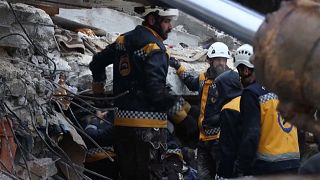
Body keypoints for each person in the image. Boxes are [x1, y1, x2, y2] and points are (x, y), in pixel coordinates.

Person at [89, 6, 198, 179]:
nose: (171, 27)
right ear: (152, 20)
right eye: (167, 22)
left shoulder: (122, 41)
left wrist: (99, 98)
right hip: (148, 131)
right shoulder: (155, 47)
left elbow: (96, 63)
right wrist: (184, 120)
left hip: (122, 127)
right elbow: (156, 91)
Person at [234, 44, 300, 176]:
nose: (240, 78)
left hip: (268, 167)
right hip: (294, 164)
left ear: (246, 69)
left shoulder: (251, 93)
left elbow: (251, 134)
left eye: (240, 72)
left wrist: (243, 168)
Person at [170, 42, 230, 179]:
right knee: (203, 176)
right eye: (218, 60)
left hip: (221, 139)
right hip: (203, 140)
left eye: (223, 60)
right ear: (210, 60)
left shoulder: (230, 79)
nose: (221, 63)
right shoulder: (203, 77)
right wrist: (178, 67)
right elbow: (192, 83)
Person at [213, 70, 242, 179]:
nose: (216, 93)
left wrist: (223, 174)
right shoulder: (247, 100)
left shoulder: (229, 108)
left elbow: (228, 148)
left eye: (218, 88)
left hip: (233, 168)